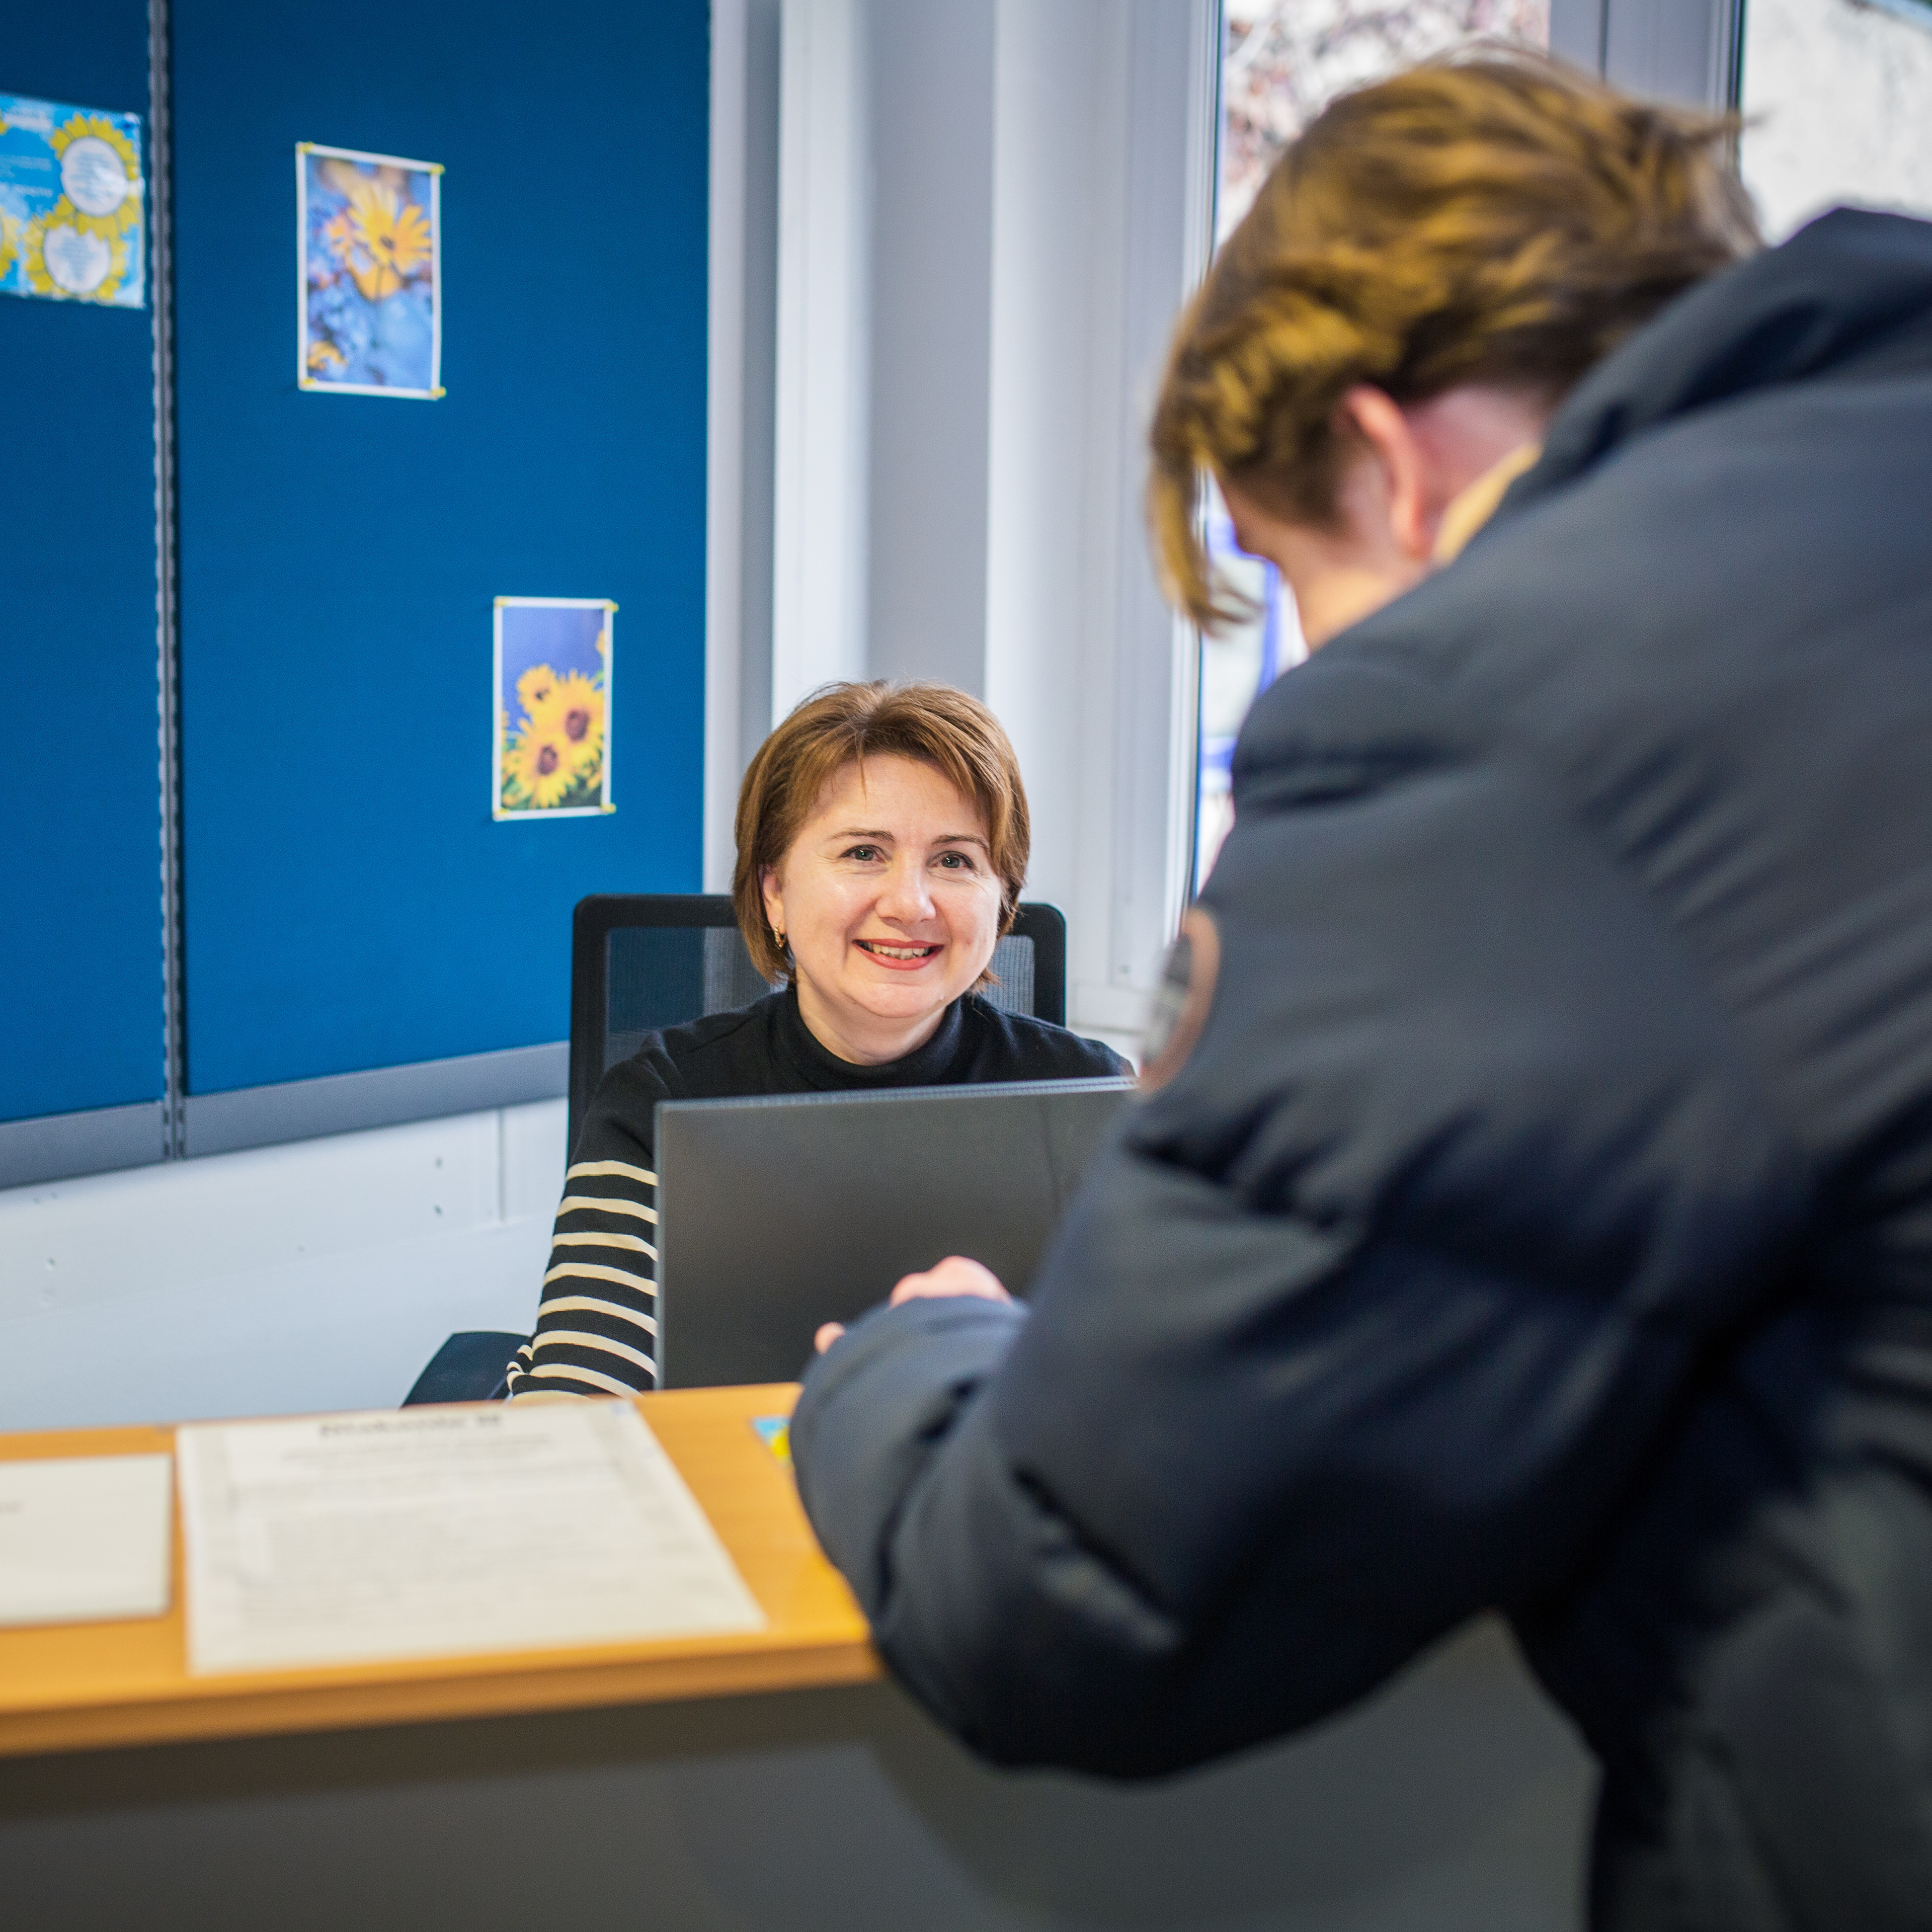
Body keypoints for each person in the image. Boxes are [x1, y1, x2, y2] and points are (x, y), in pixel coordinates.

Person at [789, 51, 1932, 1930]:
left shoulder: (1512, 716)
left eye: (1285, 572)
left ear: (1388, 460)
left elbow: (1076, 1586)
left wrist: (911, 1354)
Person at [505, 680, 1126, 1399]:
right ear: (774, 892)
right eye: (864, 852)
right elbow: (582, 1407)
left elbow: (1154, 1387)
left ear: (1003, 900)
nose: (909, 904)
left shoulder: (1092, 1099)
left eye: (955, 861)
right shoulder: (661, 1099)